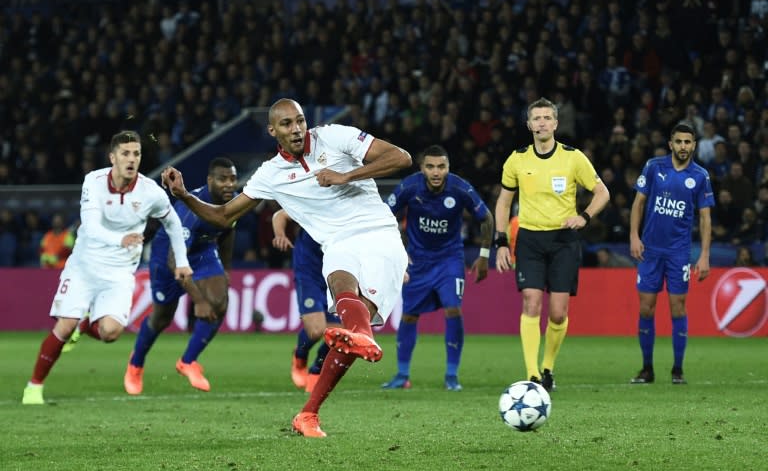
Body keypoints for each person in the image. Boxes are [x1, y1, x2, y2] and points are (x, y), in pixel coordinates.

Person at [161, 98, 410, 437]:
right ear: (273, 130)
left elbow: (401, 157)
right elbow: (222, 215)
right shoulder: (270, 174)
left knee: (356, 324)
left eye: (300, 121)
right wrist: (185, 195)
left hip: (379, 234)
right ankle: (331, 382)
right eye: (287, 124)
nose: (296, 129)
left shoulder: (335, 136)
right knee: (341, 286)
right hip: (336, 244)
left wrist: (346, 176)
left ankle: (319, 397)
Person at [22, 130, 192, 405]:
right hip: (85, 265)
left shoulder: (150, 192)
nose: (131, 159)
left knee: (111, 333)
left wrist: (182, 262)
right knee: (64, 327)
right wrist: (120, 239)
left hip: (120, 271)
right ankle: (34, 387)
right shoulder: (94, 181)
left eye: (136, 153)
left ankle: (84, 324)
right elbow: (89, 227)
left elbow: (173, 223)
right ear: (112, 157)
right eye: (125, 153)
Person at [494, 97, 610, 392]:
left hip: (563, 241)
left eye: (548, 118)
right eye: (537, 118)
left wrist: (584, 217)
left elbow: (602, 192)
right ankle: (532, 375)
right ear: (529, 124)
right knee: (531, 302)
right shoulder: (517, 159)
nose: (542, 122)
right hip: (530, 239)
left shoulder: (573, 158)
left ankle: (548, 368)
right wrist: (502, 242)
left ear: (556, 124)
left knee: (558, 312)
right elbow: (504, 202)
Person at [381, 144, 493, 391]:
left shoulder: (459, 187)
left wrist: (484, 255)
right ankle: (402, 375)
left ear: (448, 168)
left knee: (453, 310)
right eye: (430, 166)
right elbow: (384, 215)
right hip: (417, 261)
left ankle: (452, 376)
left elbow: (486, 217)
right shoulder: (410, 186)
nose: (436, 172)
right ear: (422, 168)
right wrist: (398, 251)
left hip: (449, 259)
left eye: (441, 166)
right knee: (409, 315)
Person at [124, 157, 238, 395]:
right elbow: (175, 260)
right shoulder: (191, 210)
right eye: (222, 179)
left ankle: (187, 361)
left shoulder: (233, 203)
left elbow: (228, 230)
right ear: (210, 181)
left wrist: (225, 270)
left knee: (220, 303)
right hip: (169, 258)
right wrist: (200, 301)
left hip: (204, 251)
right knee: (162, 318)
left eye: (233, 179)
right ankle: (135, 365)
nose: (229, 184)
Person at [629, 123, 714, 385]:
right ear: (670, 144)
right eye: (678, 142)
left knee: (678, 308)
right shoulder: (654, 167)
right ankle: (647, 369)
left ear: (694, 145)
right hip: (650, 251)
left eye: (688, 142)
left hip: (679, 253)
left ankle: (677, 369)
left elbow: (705, 218)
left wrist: (704, 255)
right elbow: (638, 203)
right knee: (646, 307)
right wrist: (634, 236)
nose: (683, 147)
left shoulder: (700, 176)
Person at [272, 209, 339, 394]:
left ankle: (316, 370)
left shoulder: (350, 207)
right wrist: (280, 235)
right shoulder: (312, 201)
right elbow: (280, 215)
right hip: (308, 271)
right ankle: (300, 356)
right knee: (316, 330)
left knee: (338, 334)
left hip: (337, 273)